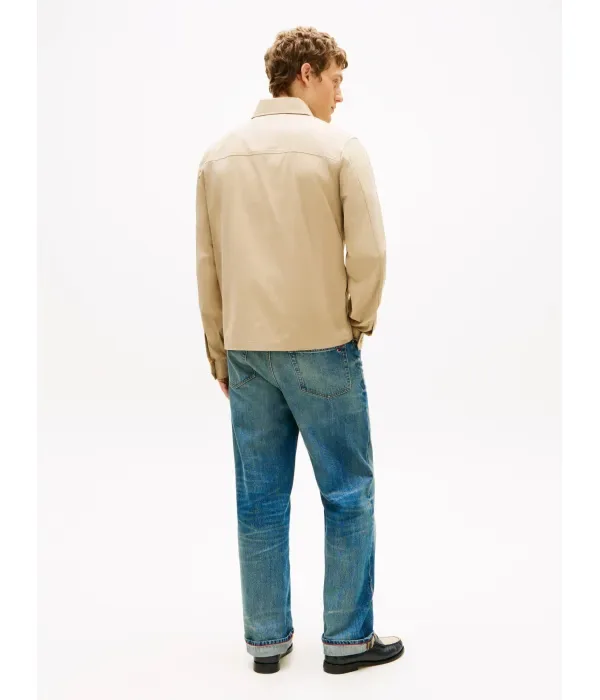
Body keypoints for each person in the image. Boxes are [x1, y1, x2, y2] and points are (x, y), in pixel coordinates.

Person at [195, 26, 404, 674]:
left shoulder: (218, 157)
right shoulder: (340, 149)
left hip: (247, 350)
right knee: (347, 492)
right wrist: (357, 320)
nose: (341, 95)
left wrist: (219, 352)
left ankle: (266, 642)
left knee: (259, 499)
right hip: (322, 345)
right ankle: (346, 640)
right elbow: (369, 251)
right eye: (336, 80)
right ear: (306, 73)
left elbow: (208, 265)